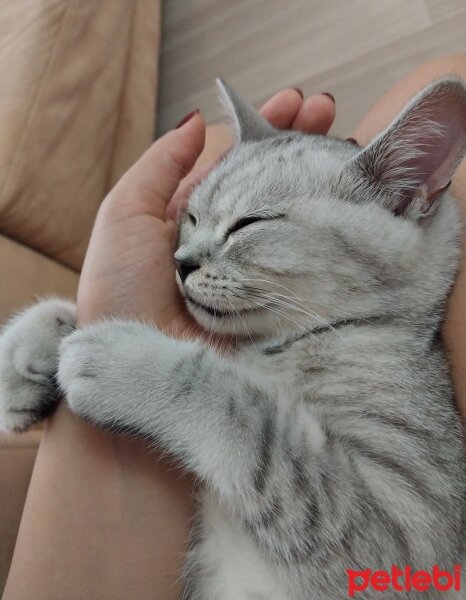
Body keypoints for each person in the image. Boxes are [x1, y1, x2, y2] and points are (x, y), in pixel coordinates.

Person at [3, 54, 466, 600]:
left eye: (248, 225)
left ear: (404, 195)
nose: (188, 258)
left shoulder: (392, 371)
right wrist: (100, 325)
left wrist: (191, 395)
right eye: (194, 221)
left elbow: (399, 577)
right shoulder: (269, 332)